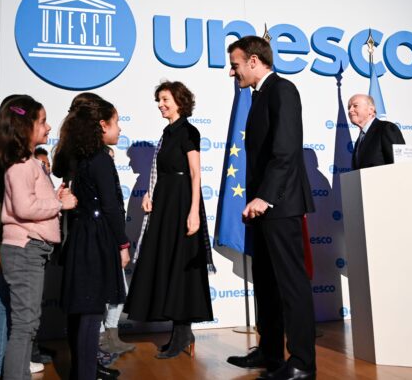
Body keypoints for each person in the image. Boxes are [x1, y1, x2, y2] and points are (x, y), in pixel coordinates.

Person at [225, 36, 316, 380]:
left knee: (291, 284)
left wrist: (266, 196)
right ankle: (271, 352)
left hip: (279, 204)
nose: (232, 72)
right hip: (261, 207)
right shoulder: (259, 96)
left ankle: (304, 363)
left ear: (252, 60)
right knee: (265, 282)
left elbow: (286, 149)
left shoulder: (283, 90)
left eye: (235, 65)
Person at [124, 81, 215, 359]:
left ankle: (182, 332)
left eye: (165, 99)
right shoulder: (166, 133)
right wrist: (150, 194)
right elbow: (161, 172)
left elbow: (195, 174)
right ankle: (180, 333)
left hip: (181, 205)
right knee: (166, 265)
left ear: (179, 100)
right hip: (164, 206)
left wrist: (193, 212)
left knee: (181, 266)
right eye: (158, 100)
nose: (160, 104)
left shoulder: (188, 131)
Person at [0, 95, 76, 380]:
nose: (49, 127)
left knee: (27, 323)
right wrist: (59, 204)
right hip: (25, 249)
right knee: (25, 325)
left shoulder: (28, 163)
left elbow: (32, 201)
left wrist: (54, 198)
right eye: (42, 121)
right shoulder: (21, 164)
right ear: (24, 126)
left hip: (31, 250)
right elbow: (24, 208)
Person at [53, 93, 129, 380]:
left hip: (79, 235)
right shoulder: (99, 159)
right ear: (101, 124)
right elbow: (111, 207)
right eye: (116, 122)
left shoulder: (75, 155)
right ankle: (85, 373)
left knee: (80, 310)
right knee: (90, 311)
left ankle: (83, 369)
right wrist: (122, 243)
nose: (120, 128)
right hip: (95, 238)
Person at [0, 96, 49, 380]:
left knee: (15, 309)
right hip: (10, 246)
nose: (47, 127)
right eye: (42, 121)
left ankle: (6, 364)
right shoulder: (9, 161)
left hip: (14, 245)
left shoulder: (22, 159)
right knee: (6, 306)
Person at [348, 94, 405, 170]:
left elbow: (399, 165)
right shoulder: (360, 138)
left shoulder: (386, 129)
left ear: (371, 110)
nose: (350, 110)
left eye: (355, 106)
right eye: (349, 107)